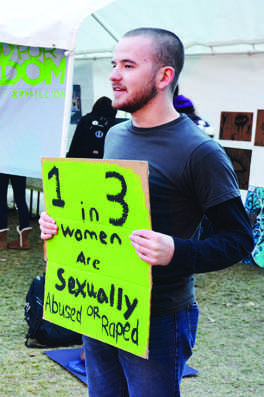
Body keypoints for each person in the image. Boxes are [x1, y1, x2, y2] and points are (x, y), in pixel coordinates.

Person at [39, 27, 254, 396]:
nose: (113, 75)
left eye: (127, 65)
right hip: (100, 306)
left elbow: (238, 239)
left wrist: (176, 251)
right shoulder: (115, 135)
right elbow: (104, 219)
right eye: (112, 64)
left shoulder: (200, 152)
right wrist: (61, 226)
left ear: (163, 76)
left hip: (160, 318)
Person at [0, 172, 31, 249]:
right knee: (21, 200)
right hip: (19, 165)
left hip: (1, 164)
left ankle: (2, 241)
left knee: (0, 200)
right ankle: (24, 241)